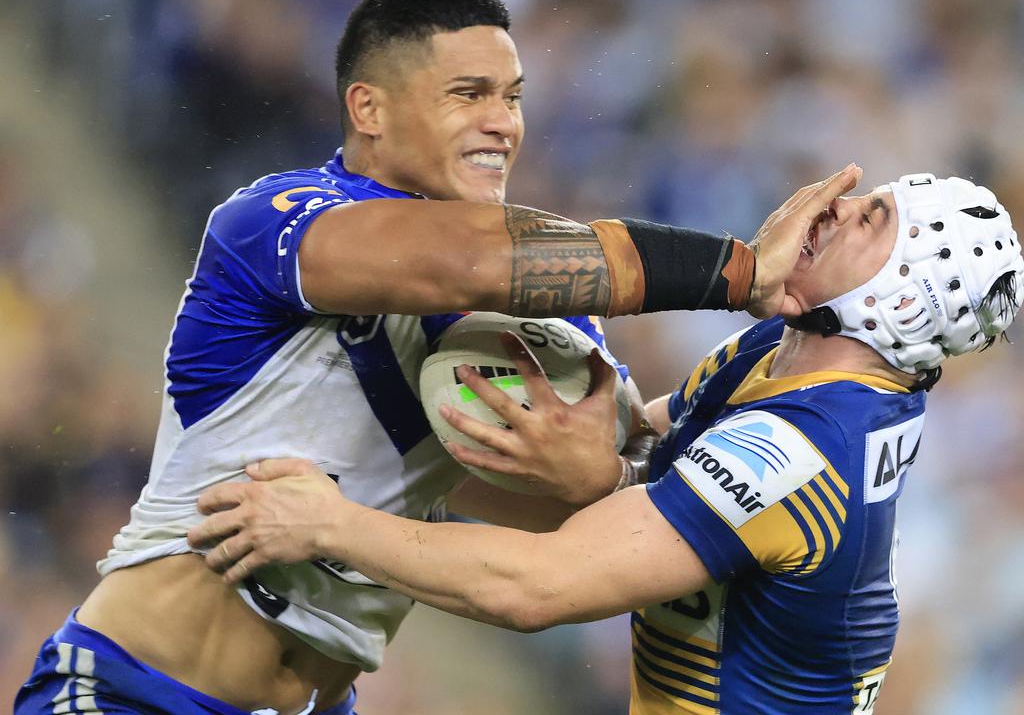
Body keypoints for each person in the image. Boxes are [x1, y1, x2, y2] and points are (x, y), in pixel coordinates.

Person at [15, 0, 857, 715]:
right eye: (469, 94)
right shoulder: (274, 223)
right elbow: (458, 260)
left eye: (515, 96)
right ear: (368, 107)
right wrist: (736, 271)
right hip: (134, 690)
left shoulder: (533, 323)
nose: (503, 124)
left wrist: (593, 475)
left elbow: (560, 537)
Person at [189, 174, 1023, 714]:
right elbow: (635, 446)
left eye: (872, 218)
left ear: (904, 305)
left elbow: (534, 590)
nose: (834, 203)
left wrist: (328, 524)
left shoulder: (807, 449)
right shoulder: (783, 357)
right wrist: (609, 462)